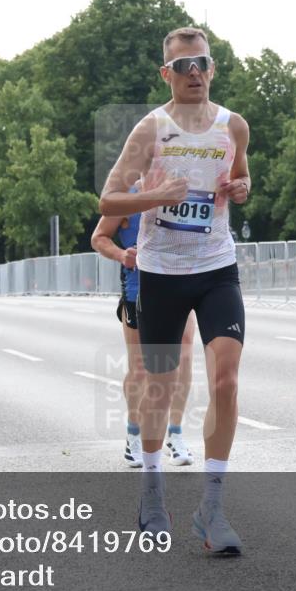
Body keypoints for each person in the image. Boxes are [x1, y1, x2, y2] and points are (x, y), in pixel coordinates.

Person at [99, 27, 251, 554]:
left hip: (216, 266)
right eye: (182, 66)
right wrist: (157, 196)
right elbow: (108, 201)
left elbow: (242, 179)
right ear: (167, 74)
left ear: (213, 67)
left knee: (226, 379)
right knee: (158, 389)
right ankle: (152, 490)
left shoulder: (233, 125)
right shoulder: (151, 129)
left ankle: (212, 508)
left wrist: (240, 188)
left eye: (201, 64)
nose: (193, 74)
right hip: (161, 272)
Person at [91, 190, 196, 469]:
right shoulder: (128, 194)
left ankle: (175, 432)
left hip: (179, 284)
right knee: (140, 367)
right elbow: (99, 237)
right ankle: (134, 432)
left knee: (184, 356)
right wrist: (121, 254)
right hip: (139, 289)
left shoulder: (184, 189)